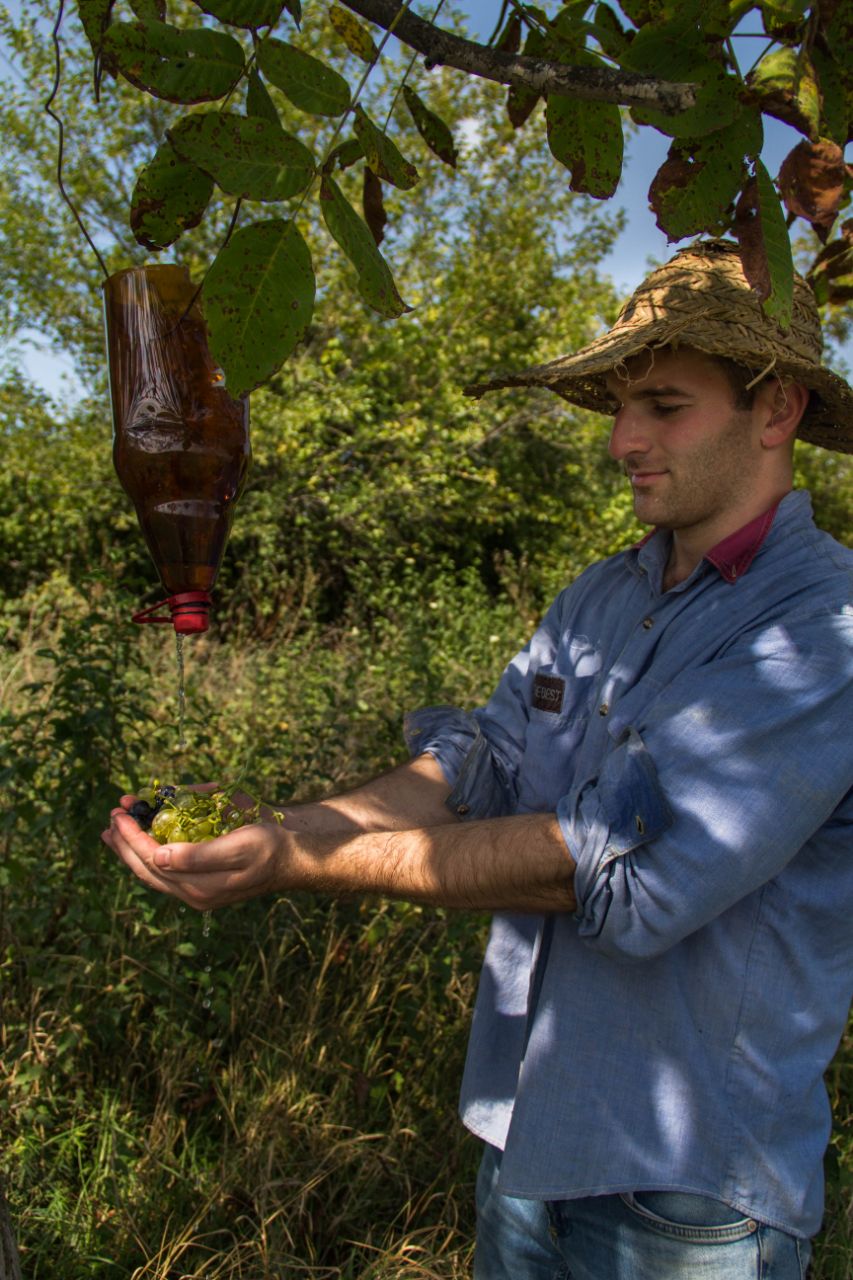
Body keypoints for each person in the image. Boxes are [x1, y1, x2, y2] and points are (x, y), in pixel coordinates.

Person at [103, 240, 853, 1279]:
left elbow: (600, 869)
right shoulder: (603, 597)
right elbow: (481, 760)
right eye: (620, 405)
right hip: (522, 1139)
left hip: (688, 1200)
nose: (621, 440)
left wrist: (296, 862)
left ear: (774, 411)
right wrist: (278, 827)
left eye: (665, 406)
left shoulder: (817, 636)